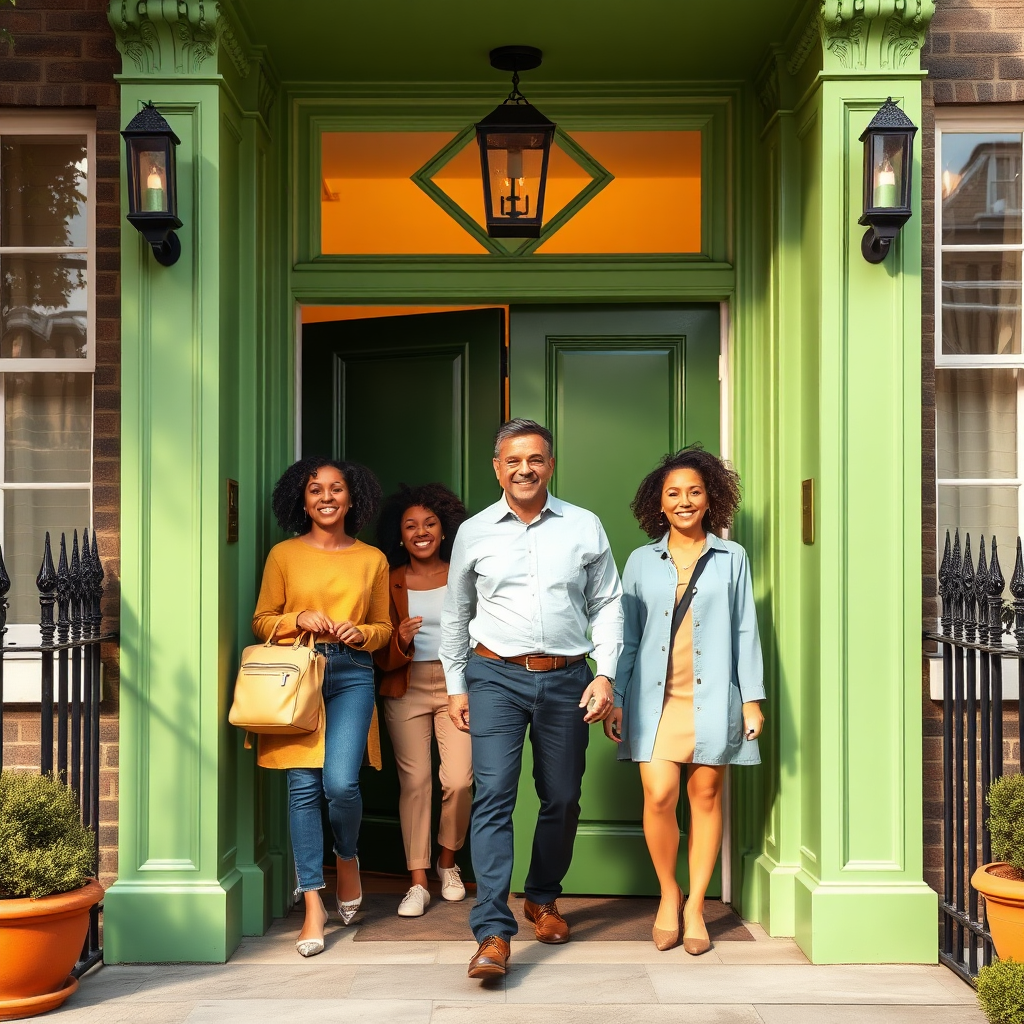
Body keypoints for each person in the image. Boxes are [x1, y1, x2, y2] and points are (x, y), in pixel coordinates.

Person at [440, 418, 623, 979]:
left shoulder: (584, 526)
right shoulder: (474, 532)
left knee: (562, 797)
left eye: (536, 459)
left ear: (551, 465)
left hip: (568, 678)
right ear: (498, 468)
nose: (525, 469)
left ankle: (542, 898)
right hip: (494, 675)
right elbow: (456, 614)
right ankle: (492, 933)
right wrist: (456, 685)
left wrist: (606, 675)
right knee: (493, 794)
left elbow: (608, 603)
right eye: (514, 460)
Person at [604, 445, 765, 955]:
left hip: (714, 697)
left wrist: (752, 699)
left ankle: (695, 905)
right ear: (659, 503)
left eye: (695, 492)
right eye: (674, 493)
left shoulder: (732, 557)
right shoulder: (640, 560)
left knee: (707, 797)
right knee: (658, 796)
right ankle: (668, 893)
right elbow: (627, 635)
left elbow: (745, 630)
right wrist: (617, 696)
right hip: (653, 701)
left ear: (710, 498)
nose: (685, 501)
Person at [252, 457, 392, 958]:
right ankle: (313, 901)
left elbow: (384, 629)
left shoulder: (372, 559)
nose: (326, 497)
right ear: (303, 500)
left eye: (336, 489)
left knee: (341, 784)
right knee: (303, 787)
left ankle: (347, 857)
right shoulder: (284, 555)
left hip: (352, 672)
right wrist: (298, 618)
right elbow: (261, 620)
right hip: (296, 676)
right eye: (316, 490)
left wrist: (362, 632)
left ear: (352, 499)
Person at [374, 483, 473, 918]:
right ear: (399, 535)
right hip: (406, 684)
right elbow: (377, 647)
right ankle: (417, 881)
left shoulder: (464, 572)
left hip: (457, 686)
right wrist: (399, 638)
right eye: (411, 526)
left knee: (459, 780)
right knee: (415, 783)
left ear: (444, 529)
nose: (421, 532)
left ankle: (447, 862)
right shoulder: (389, 580)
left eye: (429, 523)